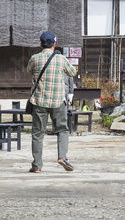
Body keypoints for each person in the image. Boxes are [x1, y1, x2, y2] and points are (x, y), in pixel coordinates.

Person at [27, 30, 77, 173]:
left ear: (41, 45)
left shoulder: (34, 58)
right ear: (54, 44)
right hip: (57, 101)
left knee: (37, 134)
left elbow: (29, 71)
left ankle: (37, 166)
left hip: (39, 101)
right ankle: (62, 157)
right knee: (62, 130)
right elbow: (73, 73)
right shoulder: (61, 59)